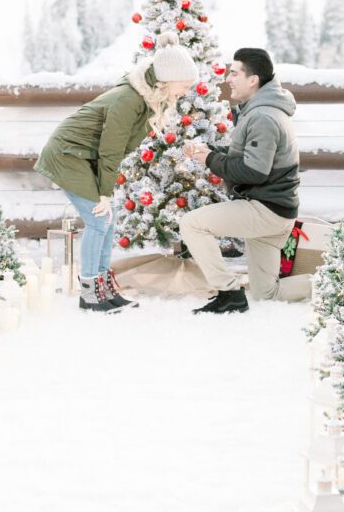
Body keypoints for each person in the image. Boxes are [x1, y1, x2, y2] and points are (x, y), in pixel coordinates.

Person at [33, 32, 198, 312]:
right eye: (184, 85)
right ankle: (89, 293)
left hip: (84, 156)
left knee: (109, 218)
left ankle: (103, 287)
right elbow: (111, 150)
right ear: (167, 80)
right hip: (68, 155)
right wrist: (104, 193)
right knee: (99, 219)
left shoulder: (148, 99)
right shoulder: (128, 100)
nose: (186, 92)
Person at [181, 47, 310, 314]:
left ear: (253, 80)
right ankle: (334, 281)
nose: (228, 78)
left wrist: (209, 161)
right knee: (267, 294)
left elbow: (254, 171)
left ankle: (228, 292)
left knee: (192, 224)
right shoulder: (262, 110)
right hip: (276, 211)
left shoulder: (263, 116)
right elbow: (250, 157)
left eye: (234, 72)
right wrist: (211, 154)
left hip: (265, 209)